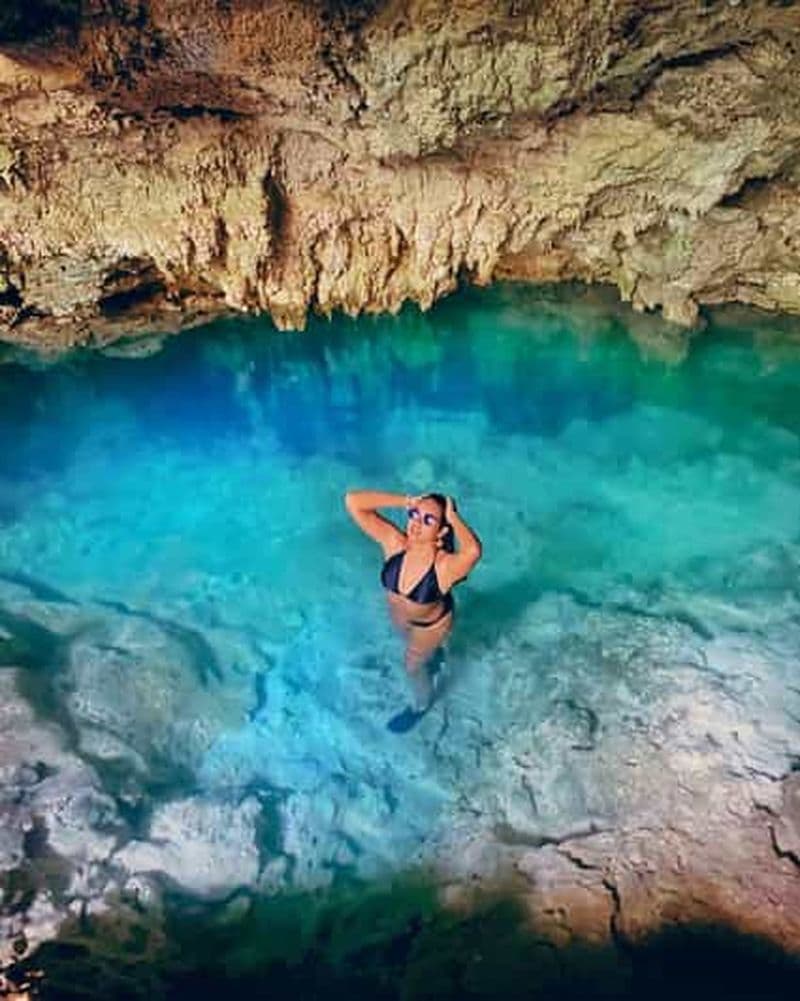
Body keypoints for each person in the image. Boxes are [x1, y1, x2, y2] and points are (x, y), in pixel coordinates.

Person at [344, 489, 482, 732]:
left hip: (429, 627)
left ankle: (421, 705)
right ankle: (433, 657)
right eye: (414, 515)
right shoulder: (395, 544)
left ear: (442, 531)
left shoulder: (444, 567)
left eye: (428, 520)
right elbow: (353, 501)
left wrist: (453, 518)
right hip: (400, 617)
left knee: (412, 667)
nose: (417, 523)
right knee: (407, 642)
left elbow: (473, 552)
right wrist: (406, 501)